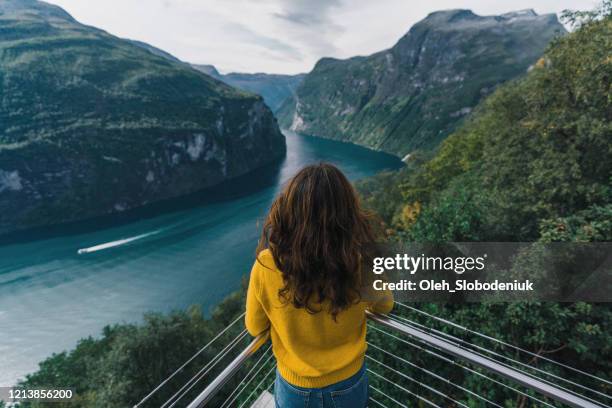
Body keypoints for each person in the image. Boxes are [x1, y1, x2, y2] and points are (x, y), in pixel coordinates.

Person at [245, 162, 394, 408]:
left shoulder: (267, 264)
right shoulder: (359, 261)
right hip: (349, 382)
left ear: (289, 210)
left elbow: (254, 326)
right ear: (347, 212)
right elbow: (385, 306)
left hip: (295, 386)